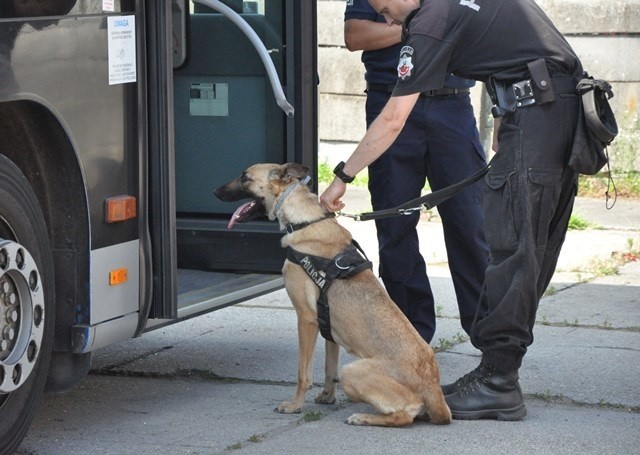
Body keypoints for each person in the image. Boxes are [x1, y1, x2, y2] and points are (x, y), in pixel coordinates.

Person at [321, 0, 584, 421]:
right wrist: (505, 111)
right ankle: (488, 372)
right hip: (543, 105)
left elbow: (392, 120)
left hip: (538, 109)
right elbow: (516, 49)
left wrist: (342, 176)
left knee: (507, 245)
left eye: (386, 9)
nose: (387, 21)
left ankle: (497, 378)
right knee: (517, 246)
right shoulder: (448, 8)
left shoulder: (430, 21)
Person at [342, 0, 488, 344]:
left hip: (452, 104)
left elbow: (479, 35)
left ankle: (492, 344)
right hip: (389, 101)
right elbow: (355, 34)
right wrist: (423, 31)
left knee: (471, 225)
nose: (389, 15)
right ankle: (410, 340)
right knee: (395, 228)